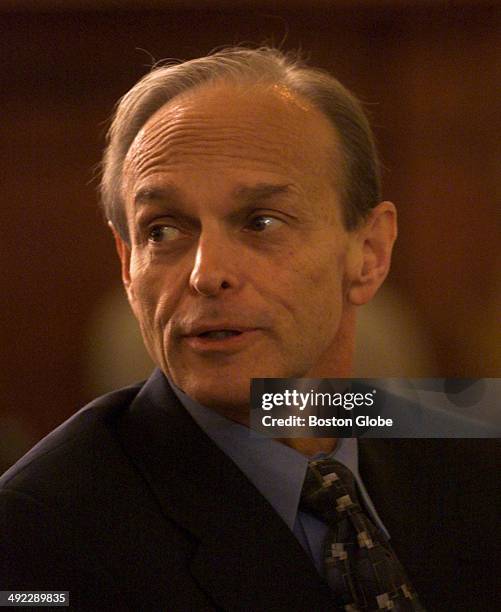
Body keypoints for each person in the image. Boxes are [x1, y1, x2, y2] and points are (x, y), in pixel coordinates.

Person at [0, 47, 498, 612]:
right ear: (126, 263)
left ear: (369, 254)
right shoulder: (39, 537)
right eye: (162, 231)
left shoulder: (471, 448)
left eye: (261, 221)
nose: (206, 274)